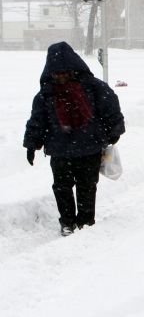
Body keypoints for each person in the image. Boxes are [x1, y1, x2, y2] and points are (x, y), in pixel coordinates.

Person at [23, 42, 125, 236]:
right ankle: (68, 223)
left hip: (87, 148)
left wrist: (113, 132)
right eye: (56, 73)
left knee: (85, 187)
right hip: (63, 151)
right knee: (63, 188)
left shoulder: (93, 88)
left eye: (63, 72)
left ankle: (85, 223)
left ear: (72, 69)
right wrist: (31, 144)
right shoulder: (47, 94)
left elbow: (110, 110)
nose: (59, 76)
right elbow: (38, 120)